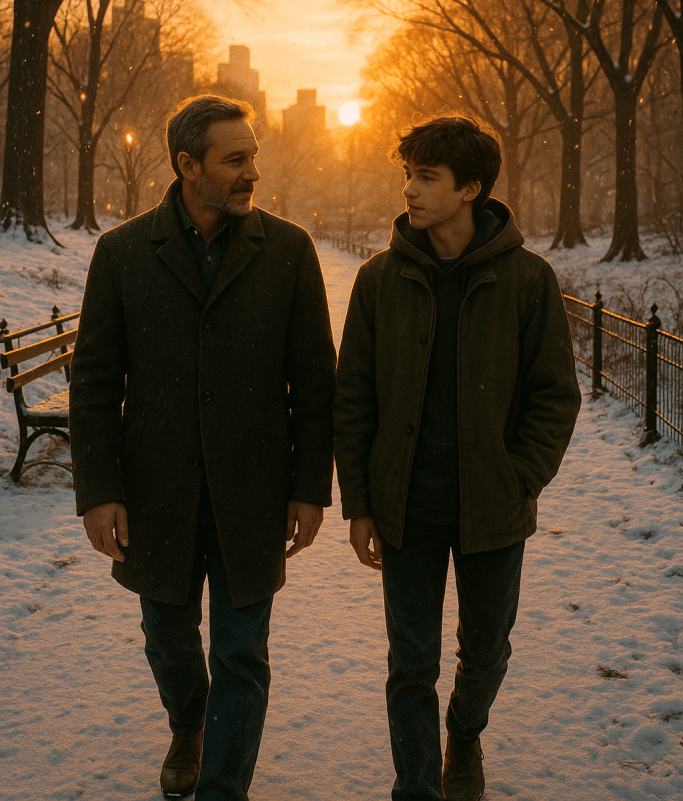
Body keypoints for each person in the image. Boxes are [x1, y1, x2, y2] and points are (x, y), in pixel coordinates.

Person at [69, 95, 336, 801]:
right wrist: (99, 491)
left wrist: (309, 488)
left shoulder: (288, 251)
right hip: (156, 491)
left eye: (252, 156)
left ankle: (223, 786)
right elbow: (93, 383)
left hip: (254, 491)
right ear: (189, 166)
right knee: (169, 642)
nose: (252, 171)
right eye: (235, 159)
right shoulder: (123, 253)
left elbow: (315, 382)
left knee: (243, 654)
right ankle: (188, 724)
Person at [334, 114, 581, 801]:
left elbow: (554, 397)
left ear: (469, 188)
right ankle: (414, 784)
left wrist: (517, 476)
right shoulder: (379, 280)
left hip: (492, 511)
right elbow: (352, 400)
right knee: (409, 662)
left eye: (427, 177)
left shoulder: (527, 281)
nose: (409, 190)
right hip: (404, 506)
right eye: (407, 174)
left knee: (485, 654)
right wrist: (359, 504)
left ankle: (464, 736)